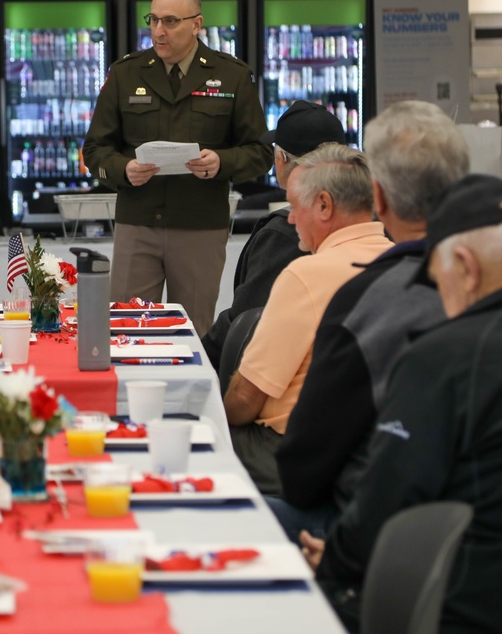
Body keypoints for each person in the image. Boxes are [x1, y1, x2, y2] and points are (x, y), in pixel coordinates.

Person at [305, 175, 502, 634]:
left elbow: (387, 503)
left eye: (438, 282)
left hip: (453, 614)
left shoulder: (444, 358)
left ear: (465, 265)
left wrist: (335, 557)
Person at [269, 101, 470, 541]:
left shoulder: (368, 301)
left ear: (378, 197)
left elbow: (304, 471)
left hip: (380, 537)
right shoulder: (495, 292)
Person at [82, 0, 273, 336]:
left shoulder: (230, 75)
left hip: (200, 226)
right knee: (125, 330)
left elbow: (261, 152)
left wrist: (221, 162)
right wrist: (125, 169)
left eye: (170, 21)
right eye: (152, 20)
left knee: (194, 335)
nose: (158, 31)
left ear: (197, 24)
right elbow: (94, 151)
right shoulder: (125, 74)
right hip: (137, 224)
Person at [223, 143, 392, 495]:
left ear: (324, 205)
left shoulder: (306, 275)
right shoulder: (402, 262)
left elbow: (245, 400)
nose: (290, 218)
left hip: (297, 453)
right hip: (378, 453)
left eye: (294, 204)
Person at [201, 101, 347, 371]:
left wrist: (195, 355)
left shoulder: (285, 233)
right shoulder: (368, 222)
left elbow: (245, 323)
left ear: (282, 160)